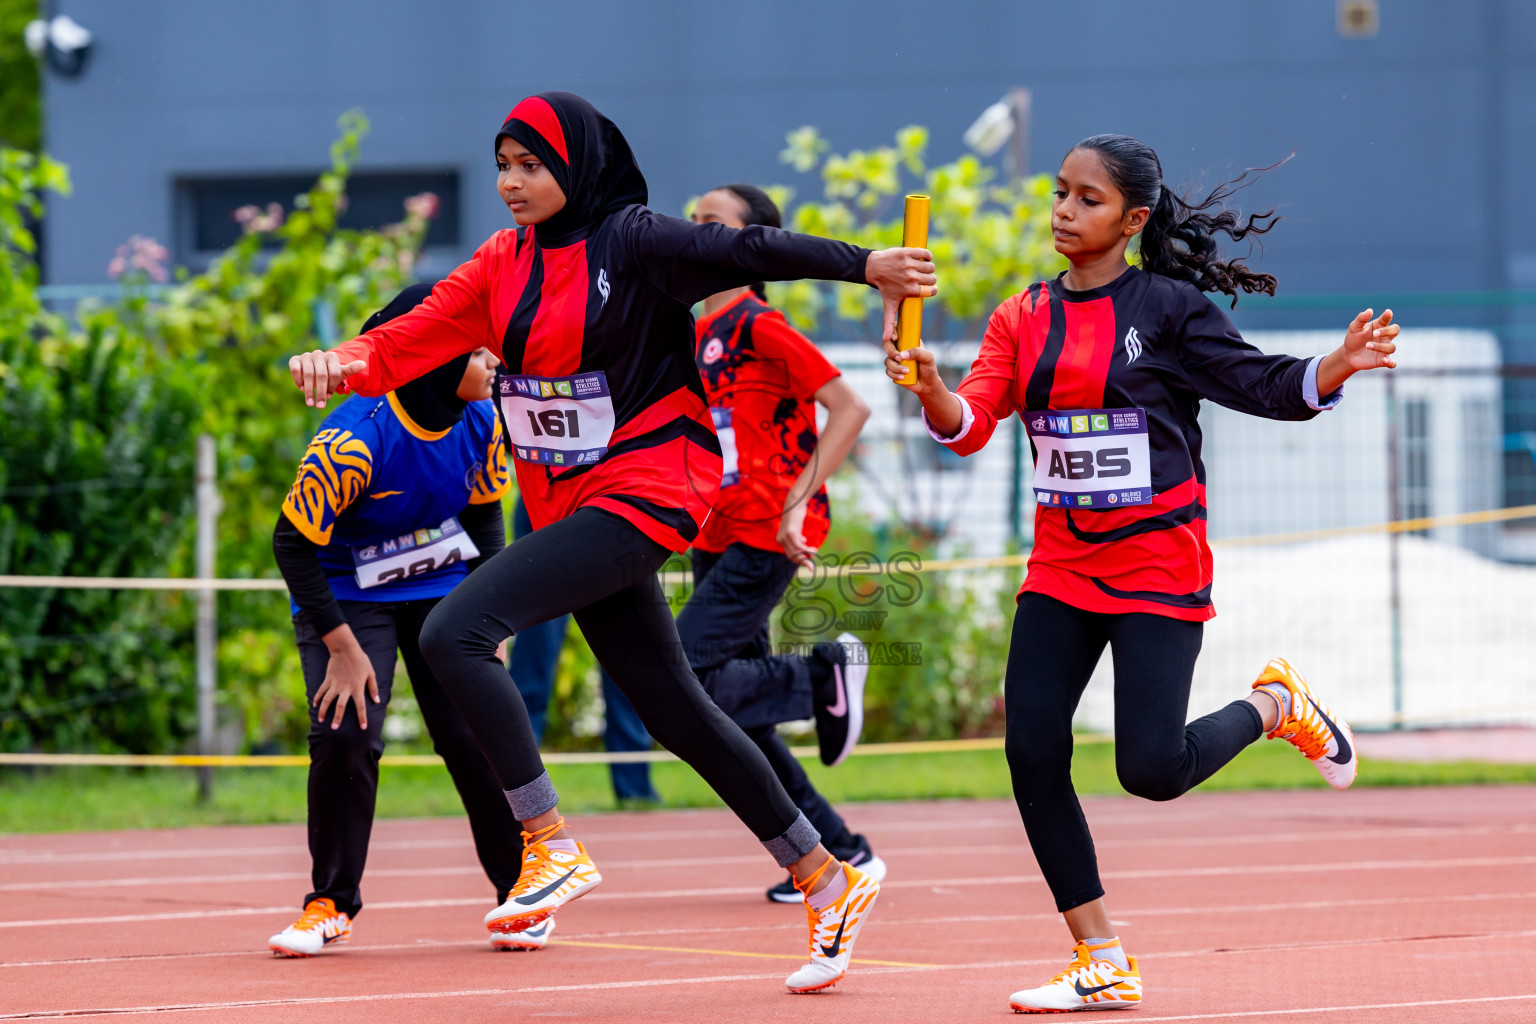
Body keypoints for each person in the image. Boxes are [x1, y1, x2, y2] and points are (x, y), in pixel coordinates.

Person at [287, 91, 935, 992]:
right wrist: (342, 361)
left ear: (577, 167)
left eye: (532, 166)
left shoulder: (630, 239)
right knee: (676, 710)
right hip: (568, 509)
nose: (512, 183)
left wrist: (869, 264)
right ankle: (827, 875)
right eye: (503, 165)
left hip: (646, 489)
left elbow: (747, 250)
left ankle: (547, 842)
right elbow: (409, 338)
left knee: (454, 635)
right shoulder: (499, 263)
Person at [886, 134, 1398, 1013]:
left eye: (1086, 200)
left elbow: (1263, 384)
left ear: (1134, 219)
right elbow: (970, 423)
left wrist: (1336, 365)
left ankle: (1277, 705)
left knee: (1152, 771)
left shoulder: (1167, 310)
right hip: (1061, 567)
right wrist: (932, 385)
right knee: (1030, 747)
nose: (1063, 211)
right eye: (1058, 193)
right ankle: (1100, 955)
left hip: (1158, 565)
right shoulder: (1021, 316)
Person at [269, 284, 553, 955]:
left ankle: (521, 892)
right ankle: (329, 903)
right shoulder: (354, 439)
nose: (494, 362)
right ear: (433, 356)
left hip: (443, 585)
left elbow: (486, 517)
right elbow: (292, 543)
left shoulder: (483, 419)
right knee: (346, 734)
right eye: (479, 351)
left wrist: (496, 620)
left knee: (476, 735)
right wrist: (340, 646)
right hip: (346, 594)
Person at [682, 183, 887, 904]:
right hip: (720, 526)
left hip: (769, 527)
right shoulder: (701, 332)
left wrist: (798, 504)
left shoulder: (757, 324)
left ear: (751, 246)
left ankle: (821, 677)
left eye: (713, 226)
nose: (695, 235)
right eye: (692, 224)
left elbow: (850, 406)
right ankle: (839, 851)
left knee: (682, 677)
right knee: (737, 715)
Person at [505, 494, 660, 807]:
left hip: (612, 503)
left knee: (625, 649)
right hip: (548, 500)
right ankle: (512, 787)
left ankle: (635, 788)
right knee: (535, 653)